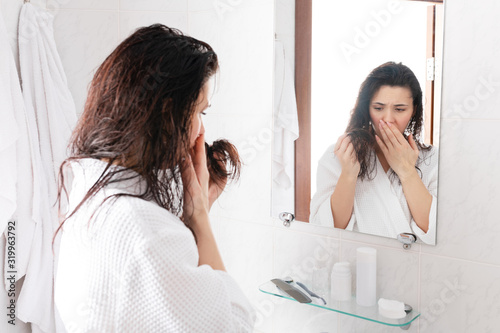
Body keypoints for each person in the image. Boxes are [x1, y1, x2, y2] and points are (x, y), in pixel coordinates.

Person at [54, 24, 255, 332]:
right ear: (166, 112)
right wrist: (199, 217)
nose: (201, 130)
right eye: (201, 111)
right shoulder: (144, 230)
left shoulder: (86, 193)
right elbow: (236, 326)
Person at [309, 62, 438, 245]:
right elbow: (326, 232)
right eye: (378, 108)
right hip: (355, 266)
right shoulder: (339, 154)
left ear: (414, 110)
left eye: (399, 109)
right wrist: (348, 174)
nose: (387, 119)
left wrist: (407, 172)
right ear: (367, 109)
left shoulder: (433, 160)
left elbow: (435, 233)